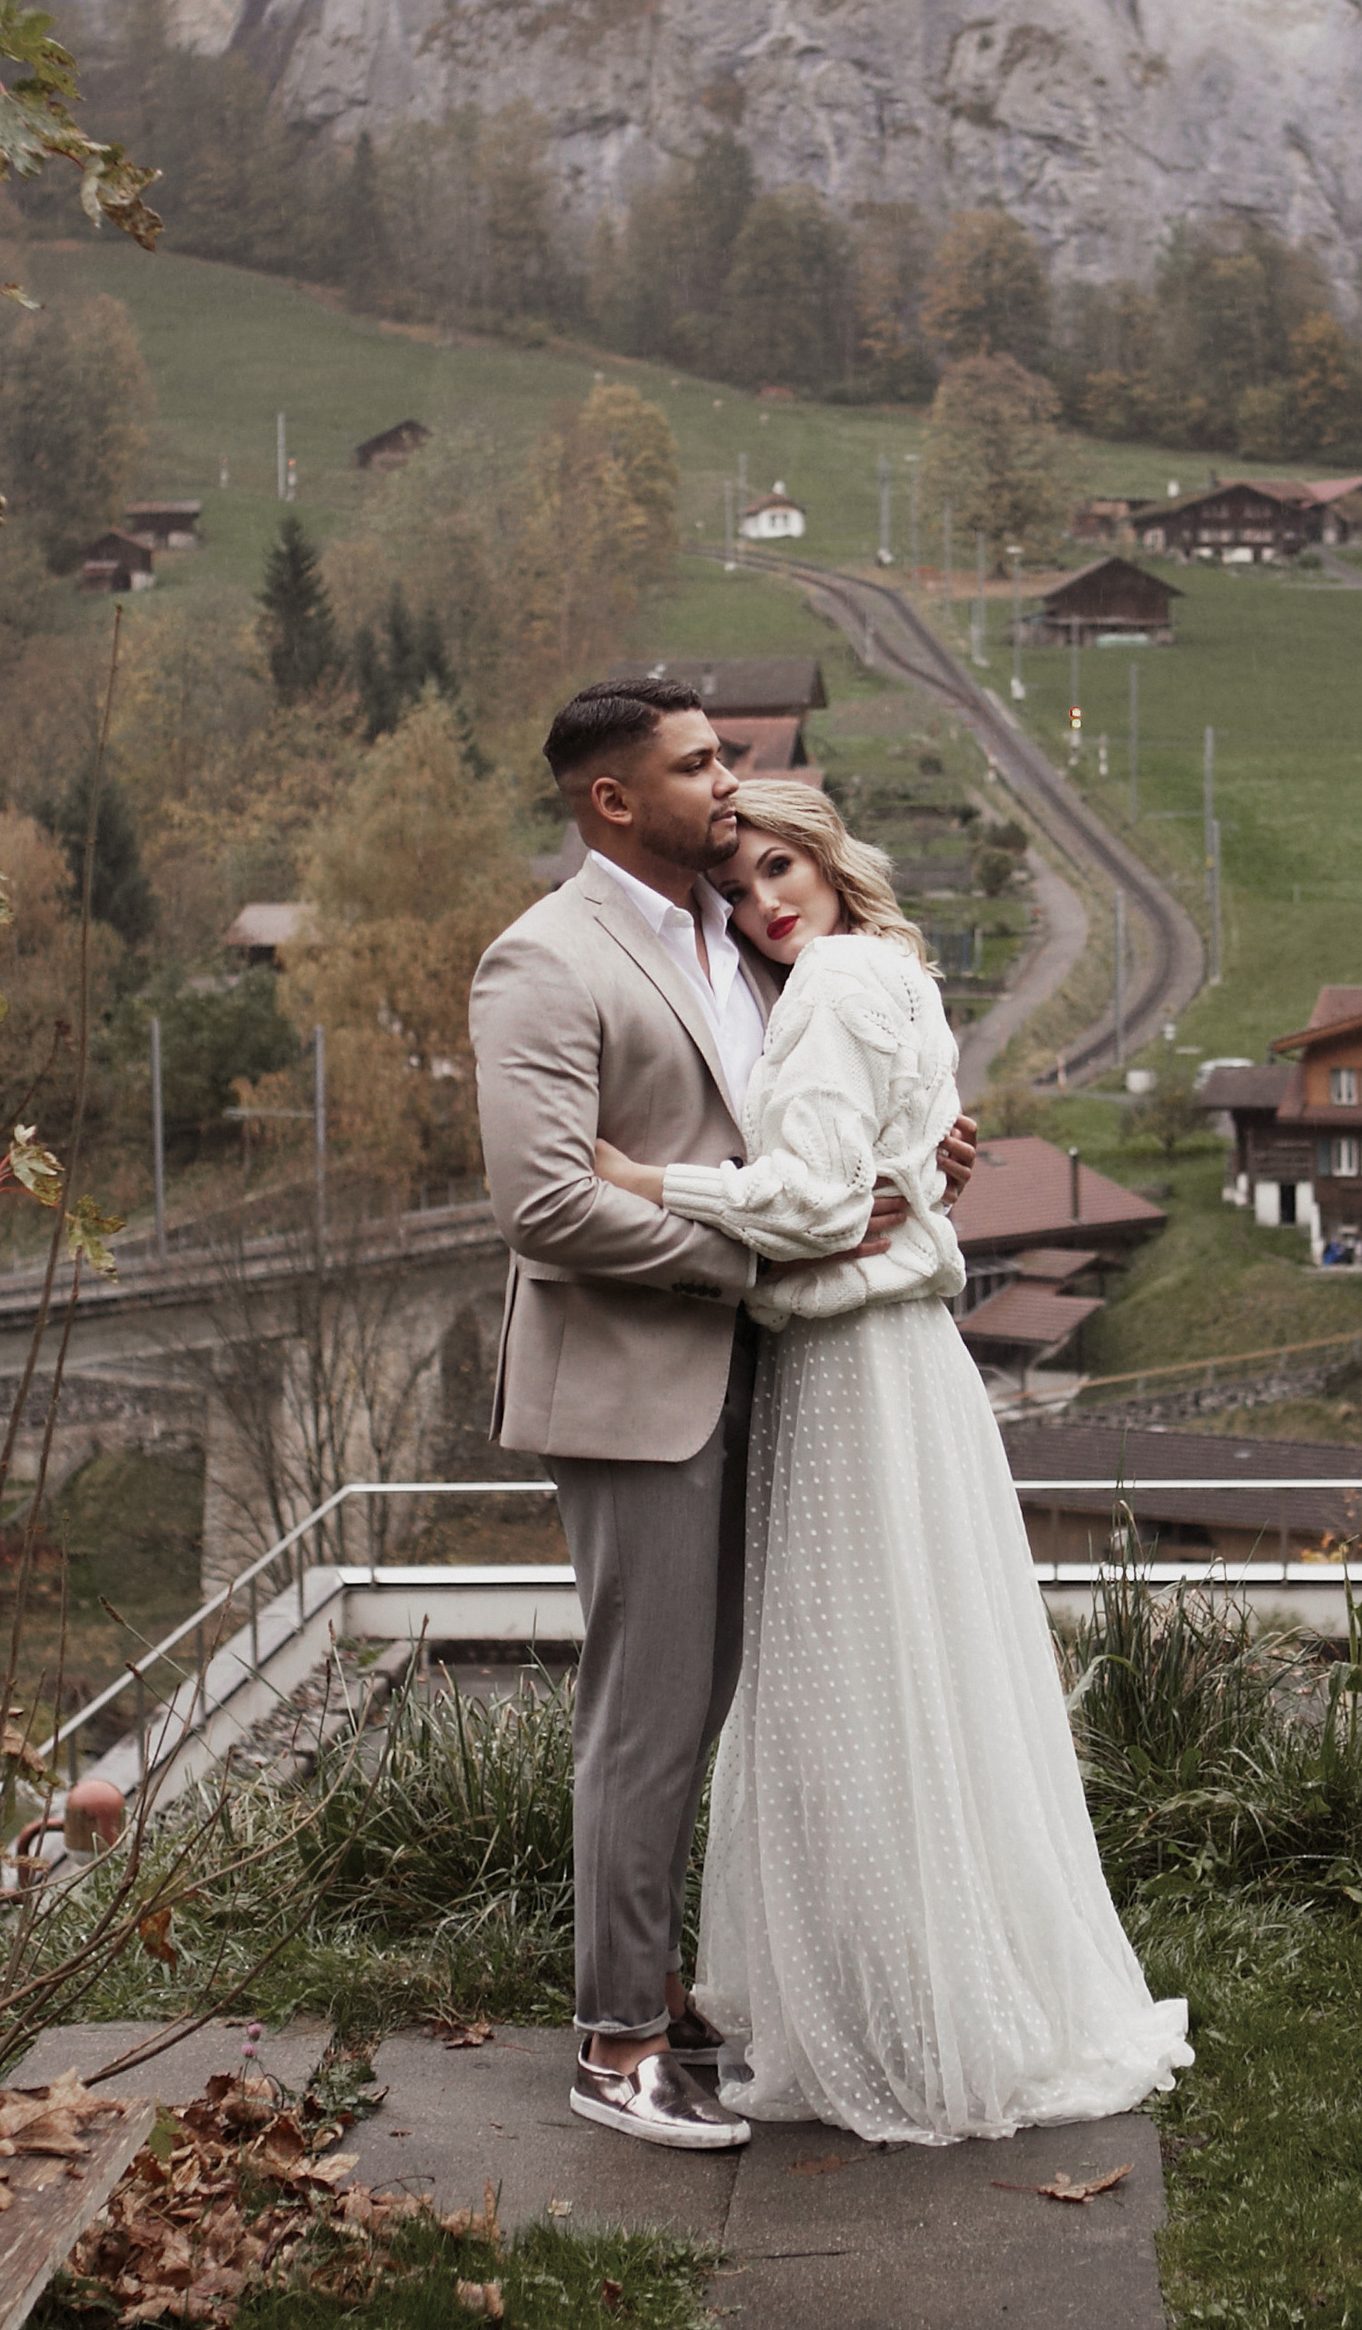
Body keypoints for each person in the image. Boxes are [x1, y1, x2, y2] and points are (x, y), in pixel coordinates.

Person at [591, 772, 1191, 2146]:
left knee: (849, 1677)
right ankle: (916, 1982)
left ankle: (899, 2012)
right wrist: (911, 1183)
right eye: (736, 889)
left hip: (852, 1369)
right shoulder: (897, 975)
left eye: (780, 865)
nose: (762, 900)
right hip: (902, 1362)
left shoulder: (834, 984)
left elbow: (808, 1198)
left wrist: (645, 1184)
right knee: (918, 1670)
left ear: (827, 855)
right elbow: (882, 1167)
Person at [470, 678, 976, 2153]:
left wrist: (919, 1139)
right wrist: (762, 1255)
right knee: (651, 1717)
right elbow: (548, 1200)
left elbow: (797, 1124)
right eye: (699, 765)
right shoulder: (541, 962)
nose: (731, 783)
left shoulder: (742, 941)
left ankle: (680, 1991)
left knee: (736, 1703)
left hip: (767, 1363)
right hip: (637, 1387)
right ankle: (617, 2043)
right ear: (613, 799)